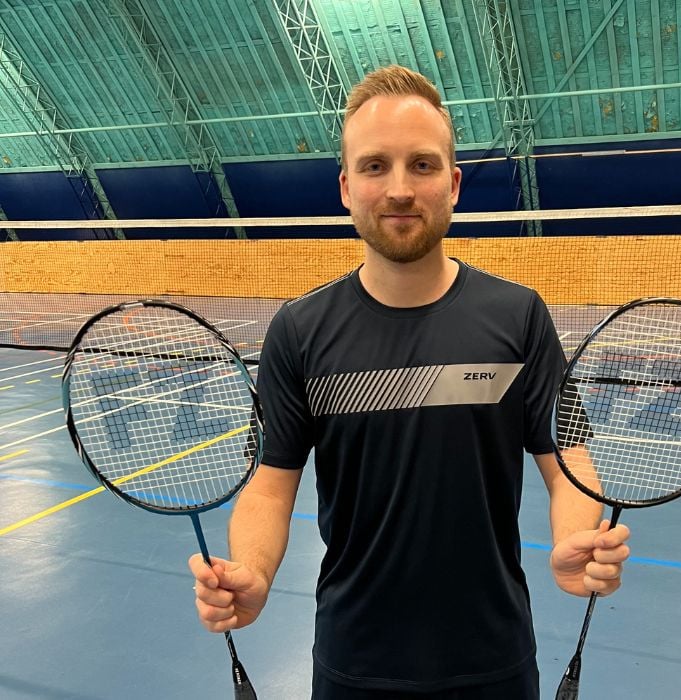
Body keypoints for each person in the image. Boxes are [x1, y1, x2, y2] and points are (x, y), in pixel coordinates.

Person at [189, 65, 631, 699]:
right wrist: (253, 572)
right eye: (375, 166)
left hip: (494, 660)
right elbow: (269, 486)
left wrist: (575, 539)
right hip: (353, 662)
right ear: (347, 187)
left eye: (422, 165)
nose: (399, 189)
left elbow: (569, 465)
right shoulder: (299, 331)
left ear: (453, 183)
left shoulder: (519, 317)